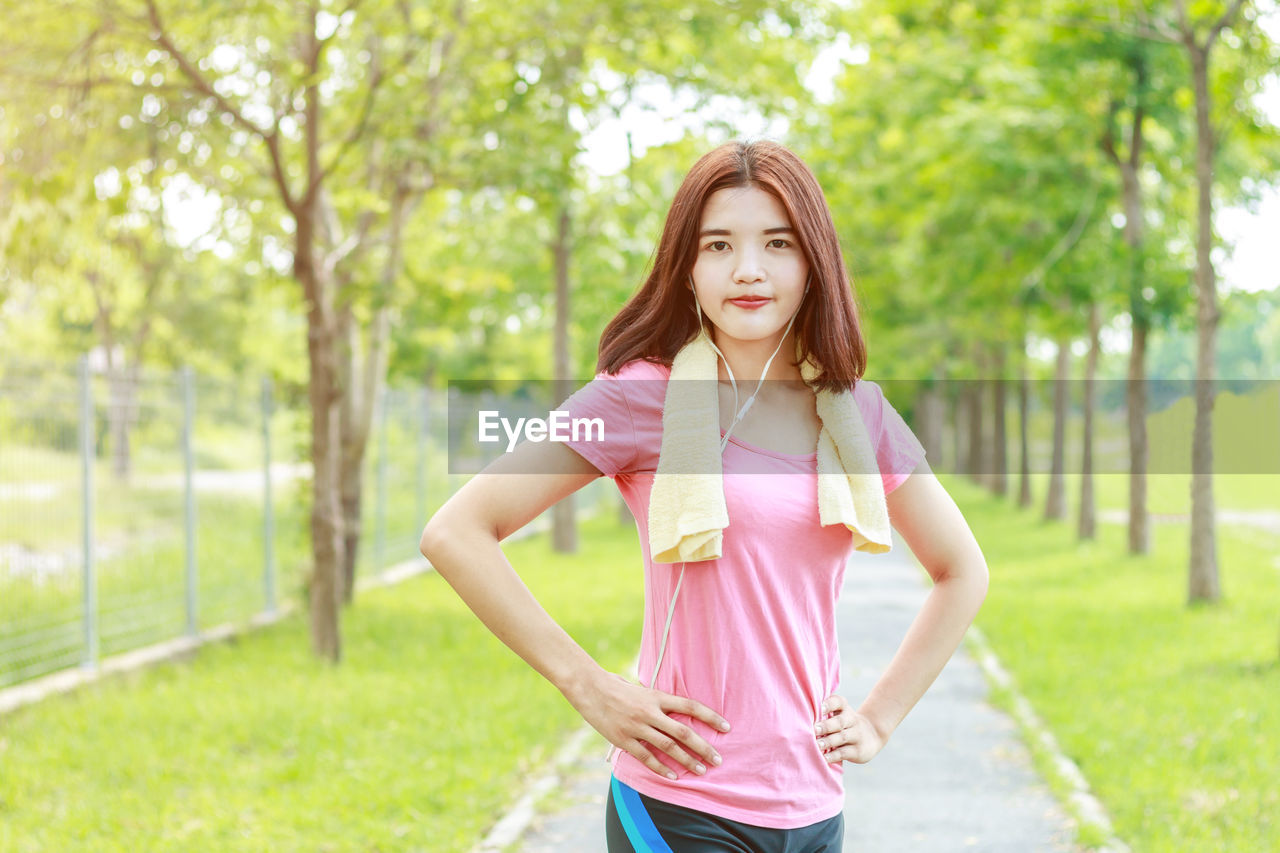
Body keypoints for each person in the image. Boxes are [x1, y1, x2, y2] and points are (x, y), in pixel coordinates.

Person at [420, 139, 989, 852]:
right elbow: (457, 531)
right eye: (718, 245)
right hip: (678, 802)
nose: (747, 269)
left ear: (813, 262)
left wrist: (878, 717)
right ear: (686, 267)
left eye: (777, 243)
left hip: (812, 803)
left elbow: (962, 570)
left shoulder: (859, 415)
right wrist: (587, 684)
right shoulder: (638, 398)